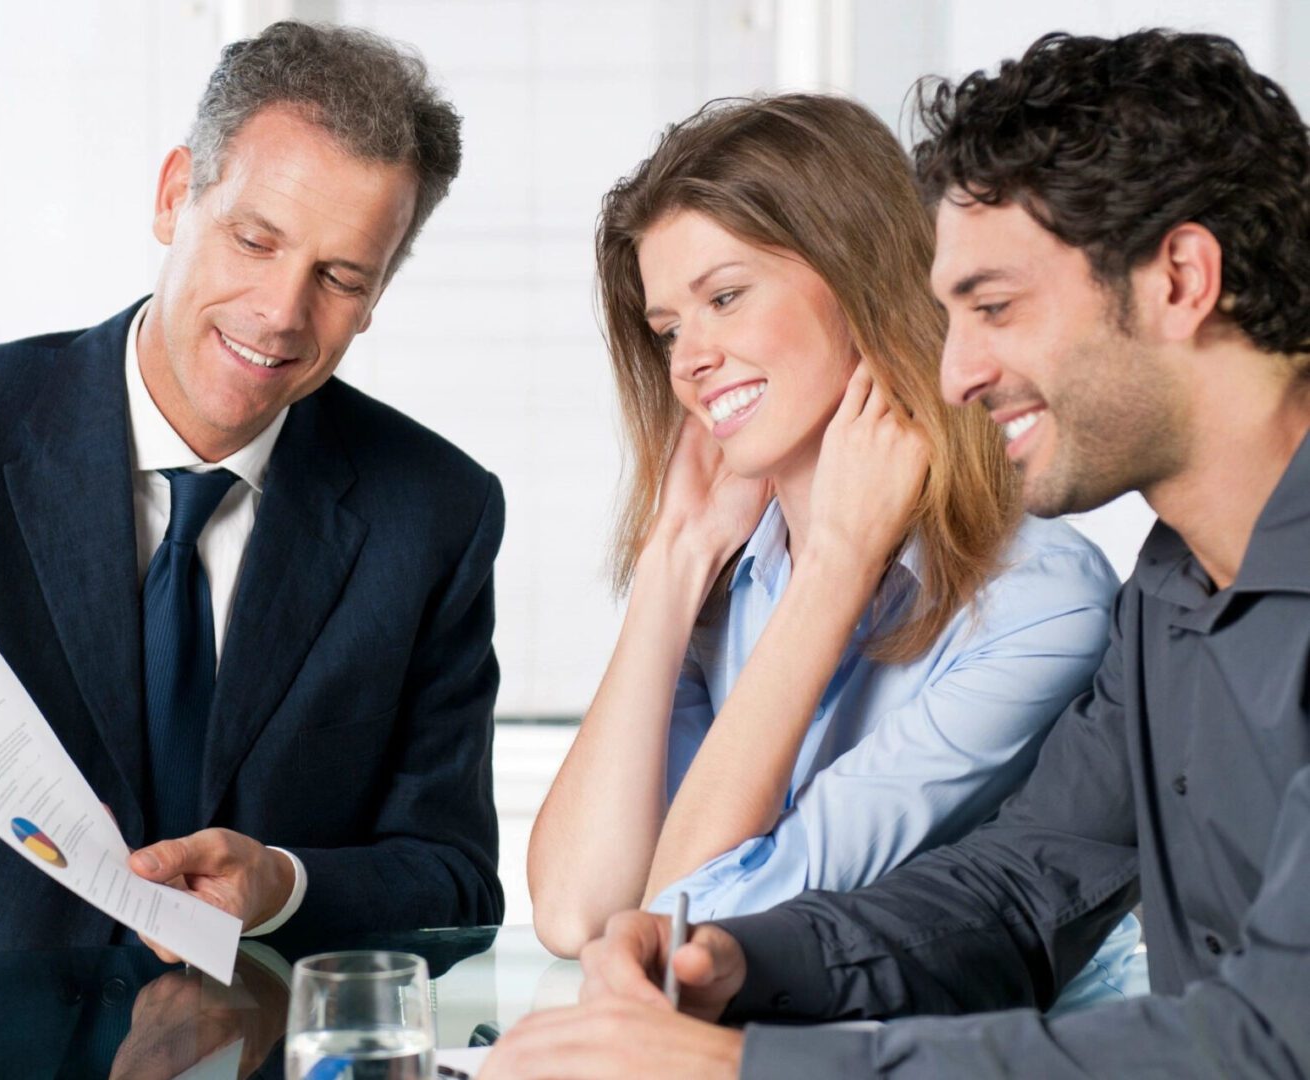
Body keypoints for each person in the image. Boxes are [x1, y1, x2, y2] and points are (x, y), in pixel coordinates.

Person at [485, 28, 1310, 1079]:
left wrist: (736, 1070)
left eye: (996, 308)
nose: (955, 372)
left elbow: (1272, 1040)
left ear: (1181, 280)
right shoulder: (1171, 588)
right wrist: (744, 959)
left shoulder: (1065, 594)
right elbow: (1016, 890)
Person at [0, 21, 504, 958]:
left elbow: (456, 883)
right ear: (172, 198)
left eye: (340, 276)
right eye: (253, 239)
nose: (281, 313)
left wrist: (283, 885)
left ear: (380, 290)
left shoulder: (436, 509)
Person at [524, 93, 1139, 1007]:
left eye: (724, 297)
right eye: (667, 330)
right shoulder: (734, 572)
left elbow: (692, 919)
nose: (689, 359)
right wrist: (673, 561)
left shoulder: (1037, 599)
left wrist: (840, 571)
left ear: (863, 283)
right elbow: (576, 911)